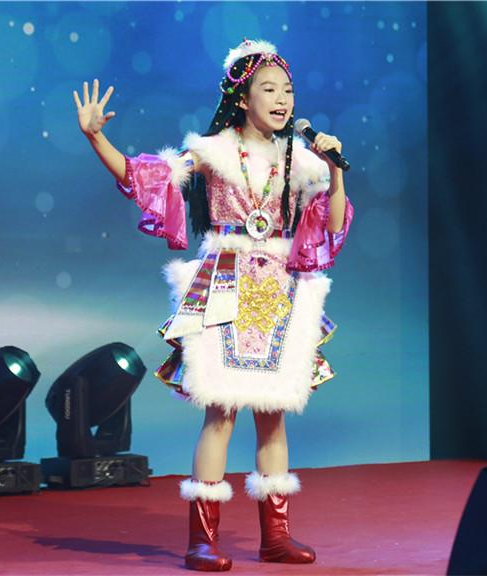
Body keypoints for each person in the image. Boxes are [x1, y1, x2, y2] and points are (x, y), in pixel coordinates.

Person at [73, 39, 353, 572]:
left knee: (273, 415)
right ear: (242, 98)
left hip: (279, 290)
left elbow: (334, 224)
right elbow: (144, 178)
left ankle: (276, 536)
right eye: (269, 89)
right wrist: (96, 137)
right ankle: (202, 539)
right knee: (220, 412)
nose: (282, 99)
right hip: (226, 283)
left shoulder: (302, 160)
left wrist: (335, 170)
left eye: (288, 90)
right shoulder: (212, 151)